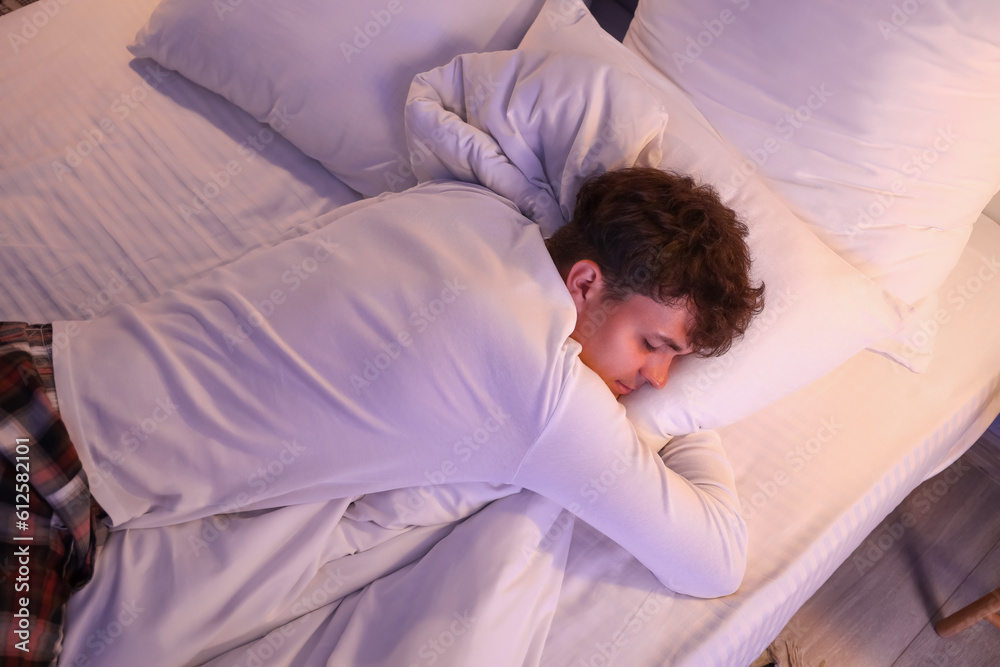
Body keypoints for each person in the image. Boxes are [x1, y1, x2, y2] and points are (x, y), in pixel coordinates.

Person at [1, 167, 762, 663]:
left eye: (674, 367)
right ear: (587, 280)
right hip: (39, 464)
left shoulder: (467, 208)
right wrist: (691, 418)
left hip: (32, 360)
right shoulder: (542, 391)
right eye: (655, 346)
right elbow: (714, 558)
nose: (654, 377)